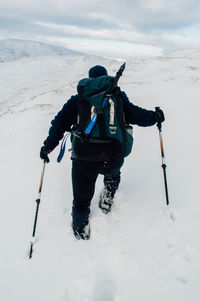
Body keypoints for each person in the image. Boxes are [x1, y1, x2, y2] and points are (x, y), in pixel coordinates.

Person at [40, 65, 165, 240]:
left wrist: (48, 146)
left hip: (83, 156)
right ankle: (108, 195)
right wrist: (156, 117)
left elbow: (59, 124)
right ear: (106, 78)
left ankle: (80, 225)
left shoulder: (78, 99)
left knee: (81, 197)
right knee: (113, 175)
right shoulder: (117, 97)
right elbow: (136, 115)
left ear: (89, 80)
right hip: (112, 154)